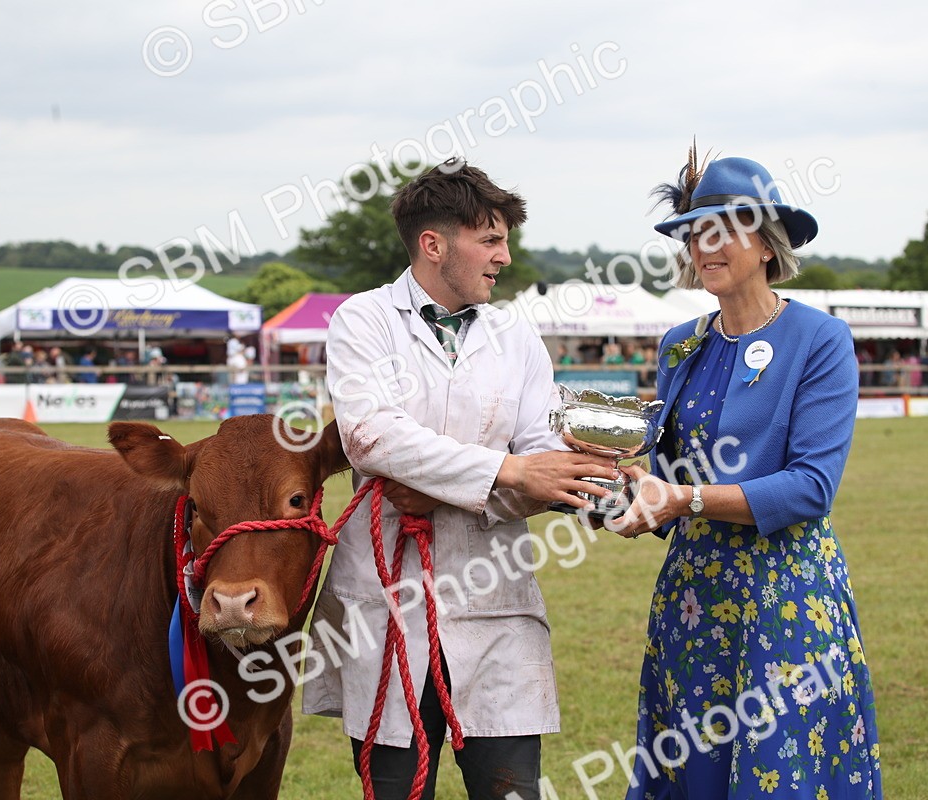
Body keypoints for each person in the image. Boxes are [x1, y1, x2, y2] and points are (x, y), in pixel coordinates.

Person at [304, 159, 617, 800]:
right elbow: (373, 436)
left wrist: (587, 484)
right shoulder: (363, 320)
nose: (505, 256)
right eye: (491, 239)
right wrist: (508, 471)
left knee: (512, 790)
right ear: (434, 244)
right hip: (386, 604)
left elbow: (540, 449)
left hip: (494, 600)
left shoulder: (515, 334)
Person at [613, 154, 881, 798]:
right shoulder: (681, 343)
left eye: (725, 230)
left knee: (779, 774)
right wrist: (612, 488)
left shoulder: (820, 338)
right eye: (696, 233)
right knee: (697, 773)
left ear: (766, 243)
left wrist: (682, 499)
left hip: (784, 597)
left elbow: (811, 487)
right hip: (693, 602)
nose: (706, 246)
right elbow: (667, 476)